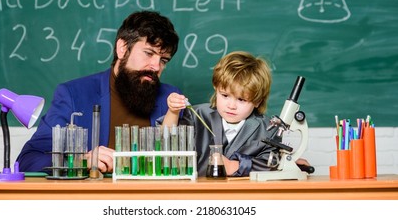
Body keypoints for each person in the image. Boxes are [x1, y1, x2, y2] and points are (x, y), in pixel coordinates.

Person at [17, 10, 181, 173]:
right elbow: (29, 159)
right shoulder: (74, 95)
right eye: (149, 53)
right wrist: (80, 161)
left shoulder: (170, 99)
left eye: (163, 60)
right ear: (122, 48)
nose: (156, 66)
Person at [160, 51, 310, 177]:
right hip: (197, 194)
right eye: (225, 95)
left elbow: (271, 164)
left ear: (257, 101)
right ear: (216, 87)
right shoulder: (197, 115)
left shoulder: (268, 129)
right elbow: (165, 143)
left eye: (241, 99)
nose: (231, 105)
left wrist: (236, 165)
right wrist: (173, 112)